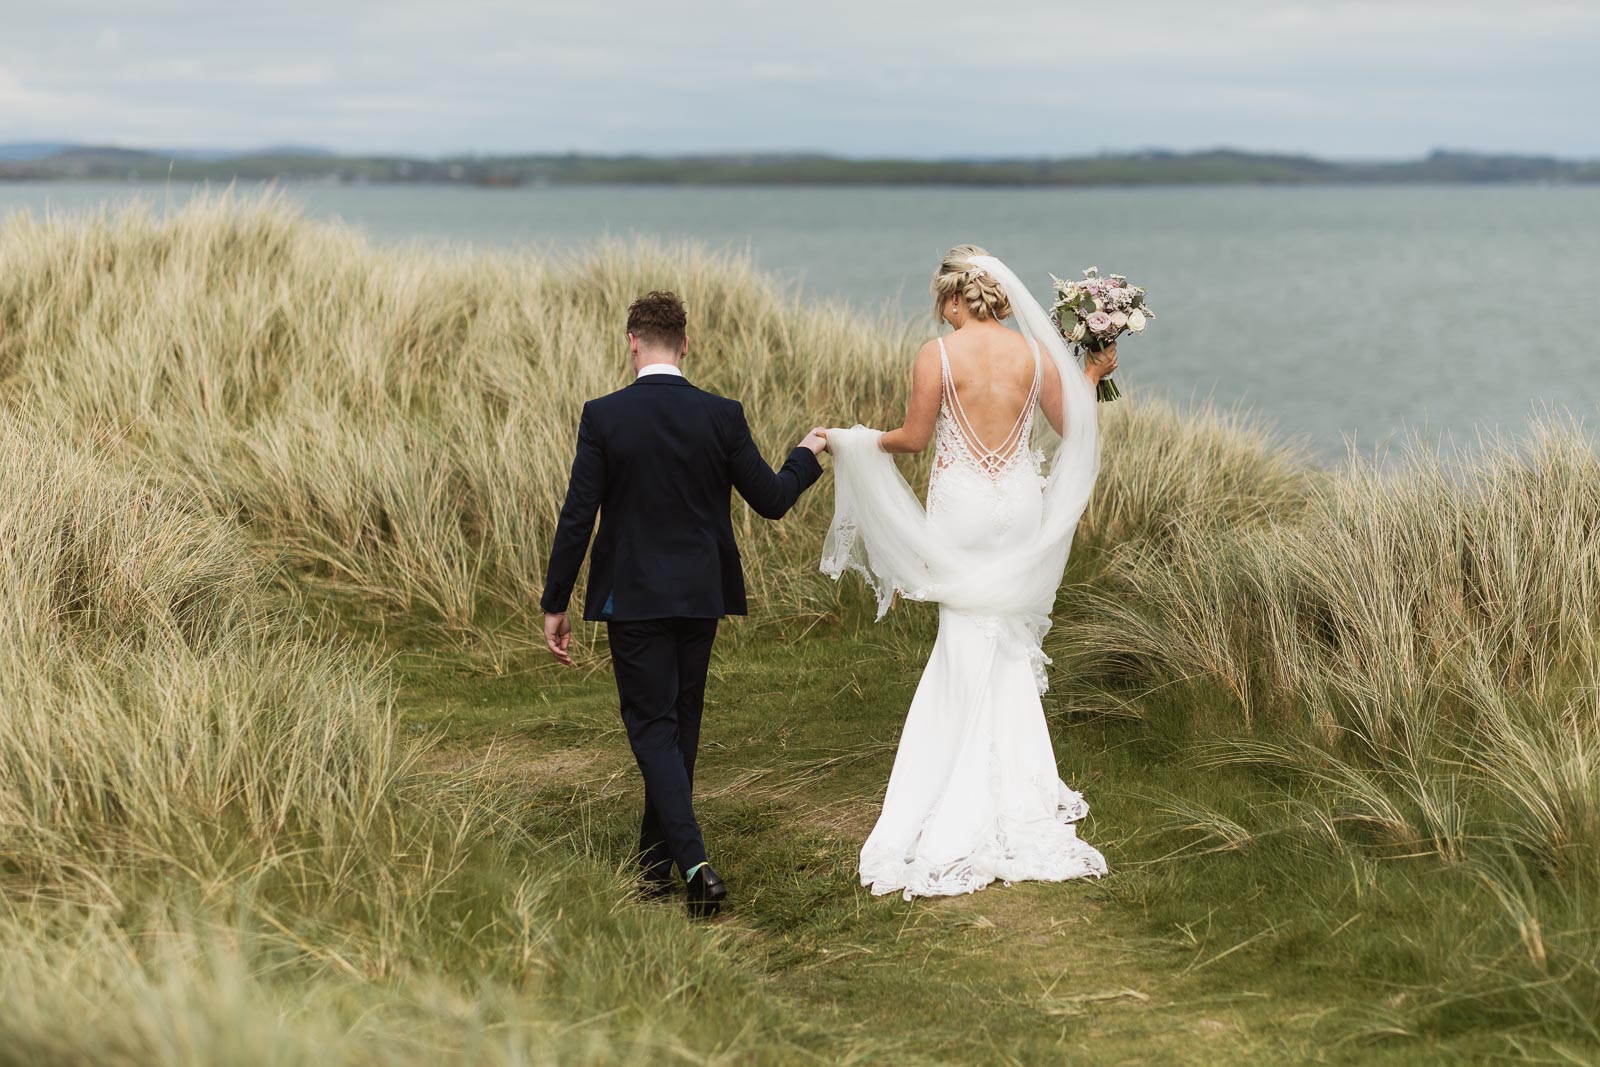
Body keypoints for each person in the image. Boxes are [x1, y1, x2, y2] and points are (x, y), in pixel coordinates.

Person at [822, 246, 1116, 899]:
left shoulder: (938, 353)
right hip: (1017, 504)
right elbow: (1075, 431)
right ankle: (1019, 788)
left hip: (960, 505)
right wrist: (1091, 374)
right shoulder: (1036, 356)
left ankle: (950, 788)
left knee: (963, 634)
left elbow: (915, 437)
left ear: (954, 299)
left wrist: (857, 438)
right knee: (1005, 633)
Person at [541, 289, 828, 918]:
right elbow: (774, 499)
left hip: (634, 598)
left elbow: (576, 518)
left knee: (652, 727)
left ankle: (695, 865)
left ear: (633, 344)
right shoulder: (719, 415)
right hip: (700, 595)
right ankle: (653, 868)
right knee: (679, 728)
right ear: (687, 345)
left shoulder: (604, 415)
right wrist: (805, 456)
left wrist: (554, 600)